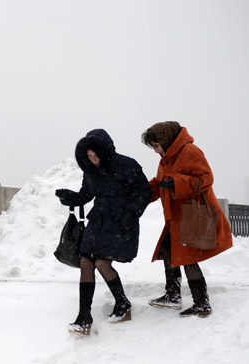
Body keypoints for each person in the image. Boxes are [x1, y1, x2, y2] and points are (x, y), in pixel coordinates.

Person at [56, 129, 151, 336]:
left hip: (120, 221)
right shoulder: (90, 171)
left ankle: (123, 303)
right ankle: (84, 316)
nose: (93, 160)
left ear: (105, 150)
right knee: (85, 262)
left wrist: (132, 212)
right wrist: (69, 197)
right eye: (89, 157)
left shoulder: (128, 165)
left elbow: (145, 191)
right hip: (98, 220)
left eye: (96, 155)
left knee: (101, 262)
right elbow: (85, 195)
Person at [141, 121, 233, 317]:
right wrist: (143, 192)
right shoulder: (166, 158)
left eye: (156, 145)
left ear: (165, 140)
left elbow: (206, 179)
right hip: (176, 218)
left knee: (189, 258)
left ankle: (202, 303)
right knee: (169, 250)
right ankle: (173, 295)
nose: (155, 150)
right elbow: (161, 182)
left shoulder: (190, 151)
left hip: (192, 215)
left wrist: (176, 184)